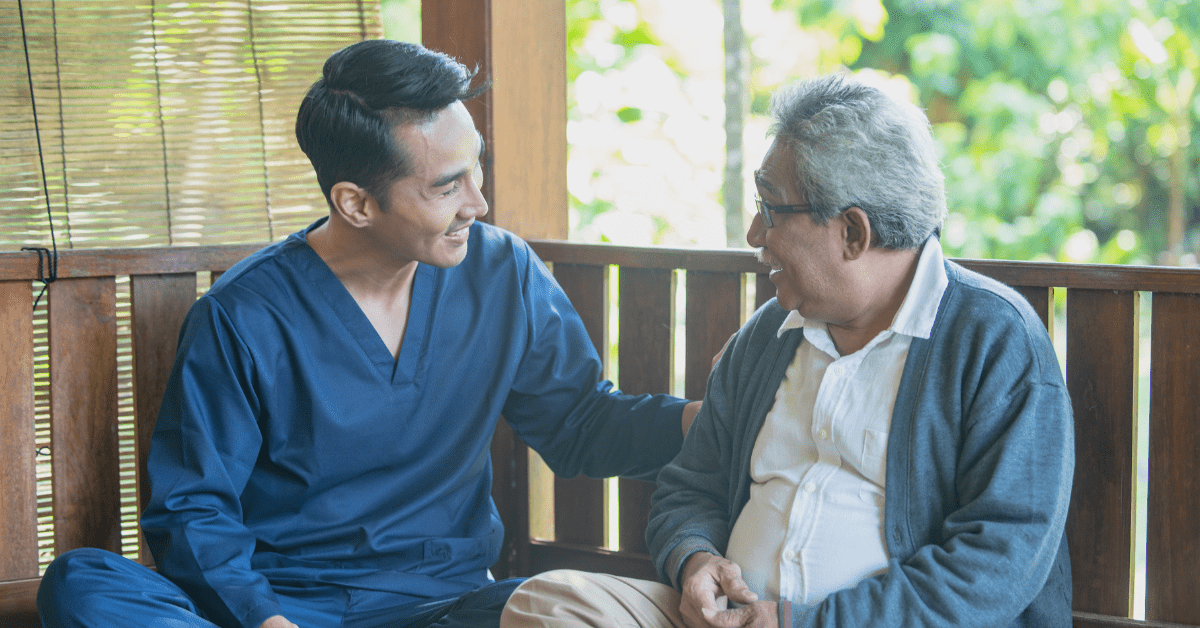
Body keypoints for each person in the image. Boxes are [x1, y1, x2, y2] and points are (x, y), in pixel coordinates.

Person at [36, 39, 700, 628]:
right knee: (83, 584)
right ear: (355, 203)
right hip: (287, 606)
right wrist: (263, 619)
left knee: (583, 606)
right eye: (447, 187)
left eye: (476, 169)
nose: (479, 203)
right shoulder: (244, 315)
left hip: (451, 606)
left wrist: (712, 420)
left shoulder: (502, 272)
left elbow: (581, 424)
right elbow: (192, 509)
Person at [499, 73, 1074, 628]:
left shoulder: (994, 341)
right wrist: (694, 559)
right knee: (550, 605)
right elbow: (690, 486)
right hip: (732, 621)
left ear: (853, 232)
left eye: (771, 209)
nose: (754, 234)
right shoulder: (770, 334)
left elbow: (995, 563)